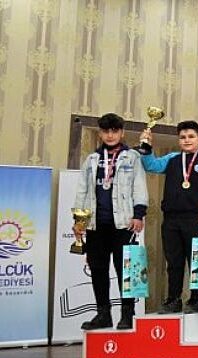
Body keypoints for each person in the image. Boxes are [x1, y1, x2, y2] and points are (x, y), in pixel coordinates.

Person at [73, 113, 148, 330]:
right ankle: (103, 314)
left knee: (125, 270)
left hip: (123, 224)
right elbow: (82, 192)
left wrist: (138, 214)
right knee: (98, 270)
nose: (110, 135)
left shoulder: (132, 157)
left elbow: (139, 187)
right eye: (106, 131)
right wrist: (80, 222)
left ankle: (127, 314)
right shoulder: (91, 160)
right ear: (100, 133)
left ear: (121, 133)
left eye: (114, 131)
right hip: (96, 225)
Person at [140, 120, 198, 314]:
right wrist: (146, 146)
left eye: (191, 136)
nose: (187, 140)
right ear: (178, 140)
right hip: (171, 218)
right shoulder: (173, 158)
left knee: (196, 261)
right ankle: (173, 299)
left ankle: (196, 299)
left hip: (196, 217)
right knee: (173, 262)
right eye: (183, 137)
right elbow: (151, 166)